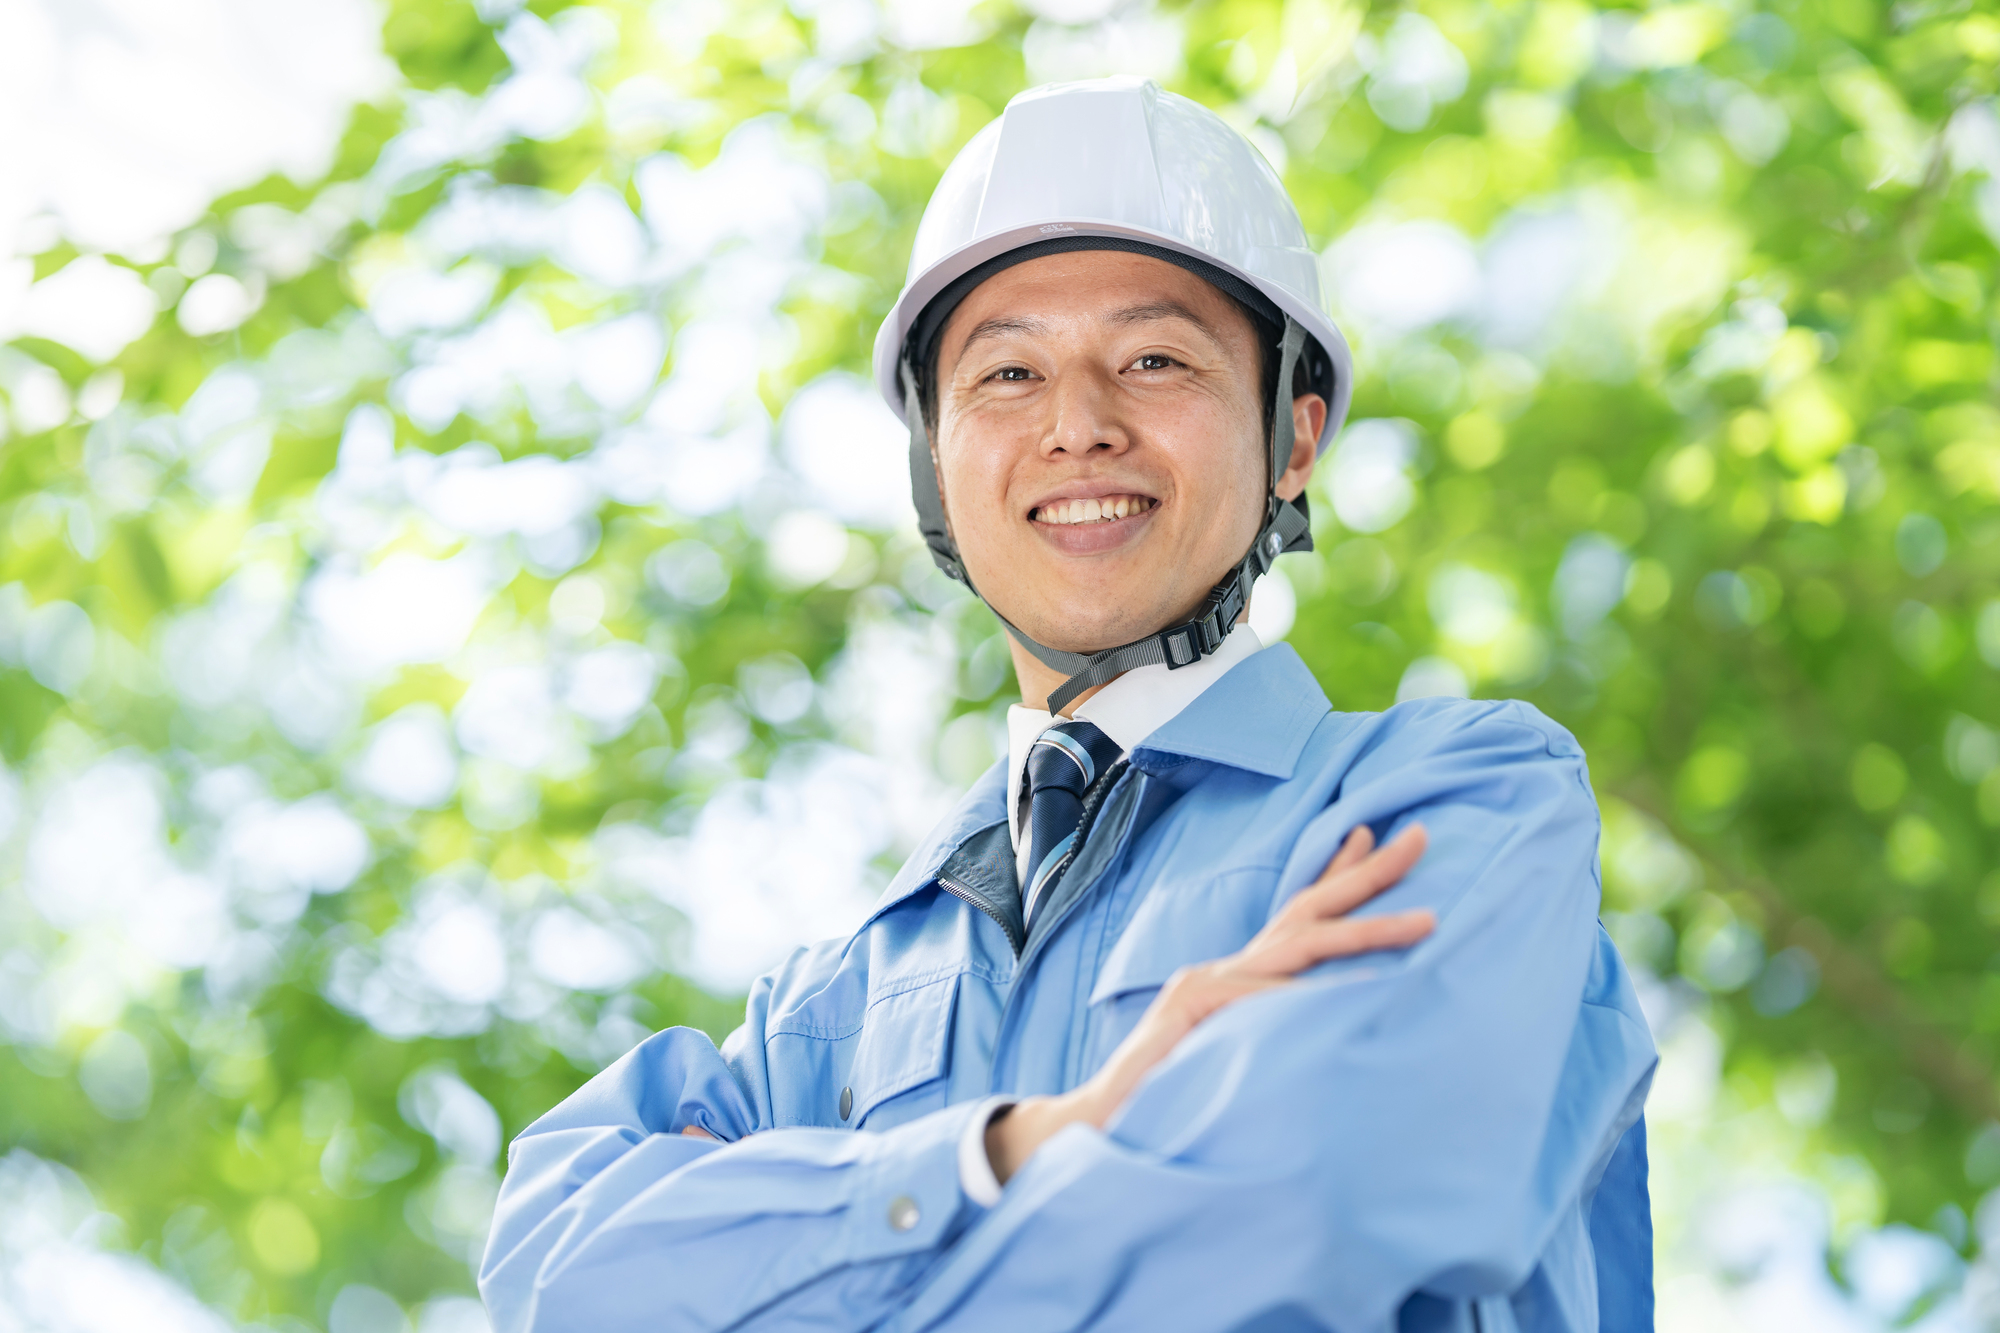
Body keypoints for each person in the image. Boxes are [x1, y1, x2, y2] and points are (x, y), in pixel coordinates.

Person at [480, 77, 1657, 1332]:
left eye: (1153, 360)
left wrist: (810, 1263)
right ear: (934, 460)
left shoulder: (1451, 805)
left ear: (1293, 437)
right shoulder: (826, 1007)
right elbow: (562, 1278)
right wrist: (1016, 1148)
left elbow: (1298, 1223)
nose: (1078, 426)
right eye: (1005, 375)